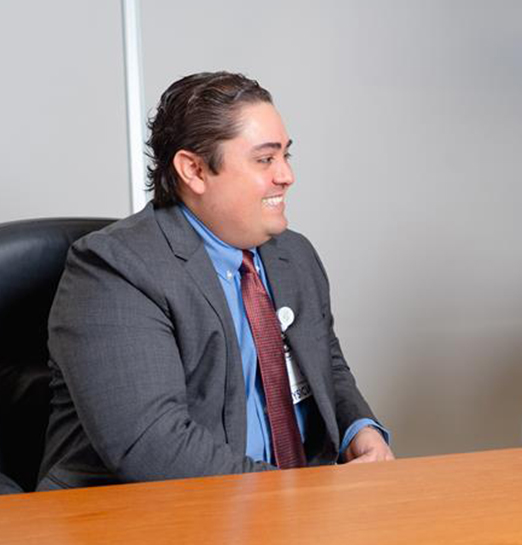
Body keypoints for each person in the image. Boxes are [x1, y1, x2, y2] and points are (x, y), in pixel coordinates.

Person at [38, 72, 393, 490]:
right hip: (154, 515)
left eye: (286, 156)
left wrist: (360, 430)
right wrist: (299, 495)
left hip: (293, 509)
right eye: (265, 159)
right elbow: (152, 445)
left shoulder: (293, 255)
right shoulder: (114, 268)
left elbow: (325, 364)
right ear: (195, 170)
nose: (286, 176)